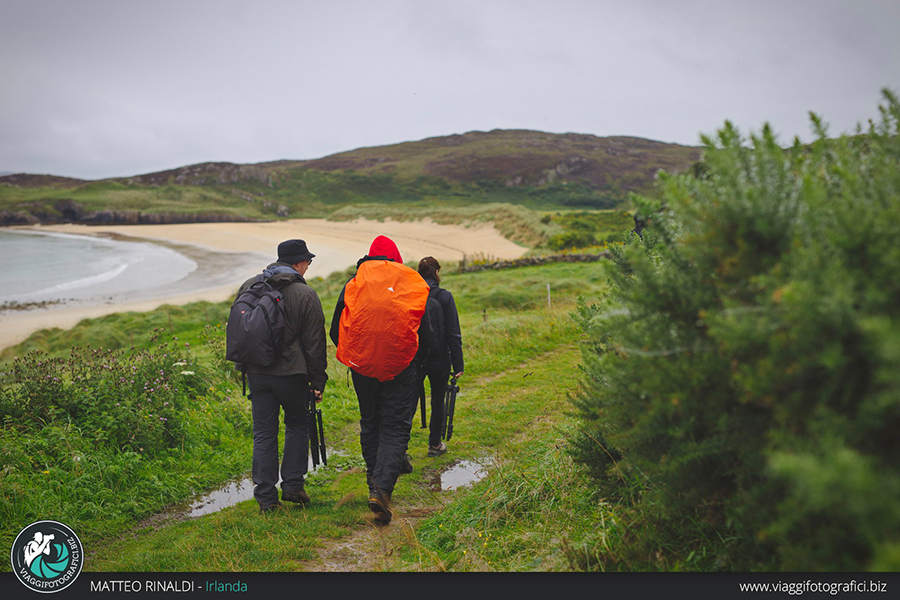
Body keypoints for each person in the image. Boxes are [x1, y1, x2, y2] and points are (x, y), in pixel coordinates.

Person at [330, 235, 431, 524]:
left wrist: (354, 358)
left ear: (369, 257)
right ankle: (382, 490)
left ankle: (374, 485)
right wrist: (417, 363)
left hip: (362, 368)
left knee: (370, 423)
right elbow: (425, 329)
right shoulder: (409, 282)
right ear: (396, 258)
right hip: (401, 367)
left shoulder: (354, 282)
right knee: (396, 427)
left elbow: (337, 331)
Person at [233, 239, 328, 513]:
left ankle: (265, 497)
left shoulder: (250, 285)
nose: (308, 266)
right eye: (308, 261)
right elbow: (314, 343)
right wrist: (318, 380)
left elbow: (242, 329)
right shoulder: (304, 294)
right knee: (297, 425)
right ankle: (293, 487)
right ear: (298, 263)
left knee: (264, 432)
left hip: (257, 373)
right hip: (291, 374)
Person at [416, 256, 464, 457]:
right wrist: (458, 363)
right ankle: (435, 444)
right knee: (438, 399)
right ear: (437, 273)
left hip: (416, 358)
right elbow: (453, 332)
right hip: (439, 356)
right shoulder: (445, 296)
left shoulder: (412, 294)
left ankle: (399, 448)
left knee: (408, 401)